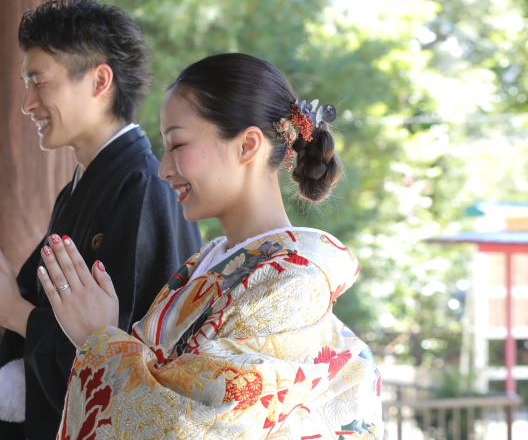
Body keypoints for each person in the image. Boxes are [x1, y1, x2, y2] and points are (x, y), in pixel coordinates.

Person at [37, 53, 383, 439]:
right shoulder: (208, 262)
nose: (163, 168)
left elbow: (204, 427)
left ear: (247, 146)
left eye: (177, 144)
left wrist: (100, 340)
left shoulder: (294, 280)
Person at [0, 0, 202, 440]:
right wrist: (1, 304)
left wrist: (12, 310)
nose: (27, 102)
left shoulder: (142, 185)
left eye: (39, 82)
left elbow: (128, 354)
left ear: (99, 80)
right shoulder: (84, 185)